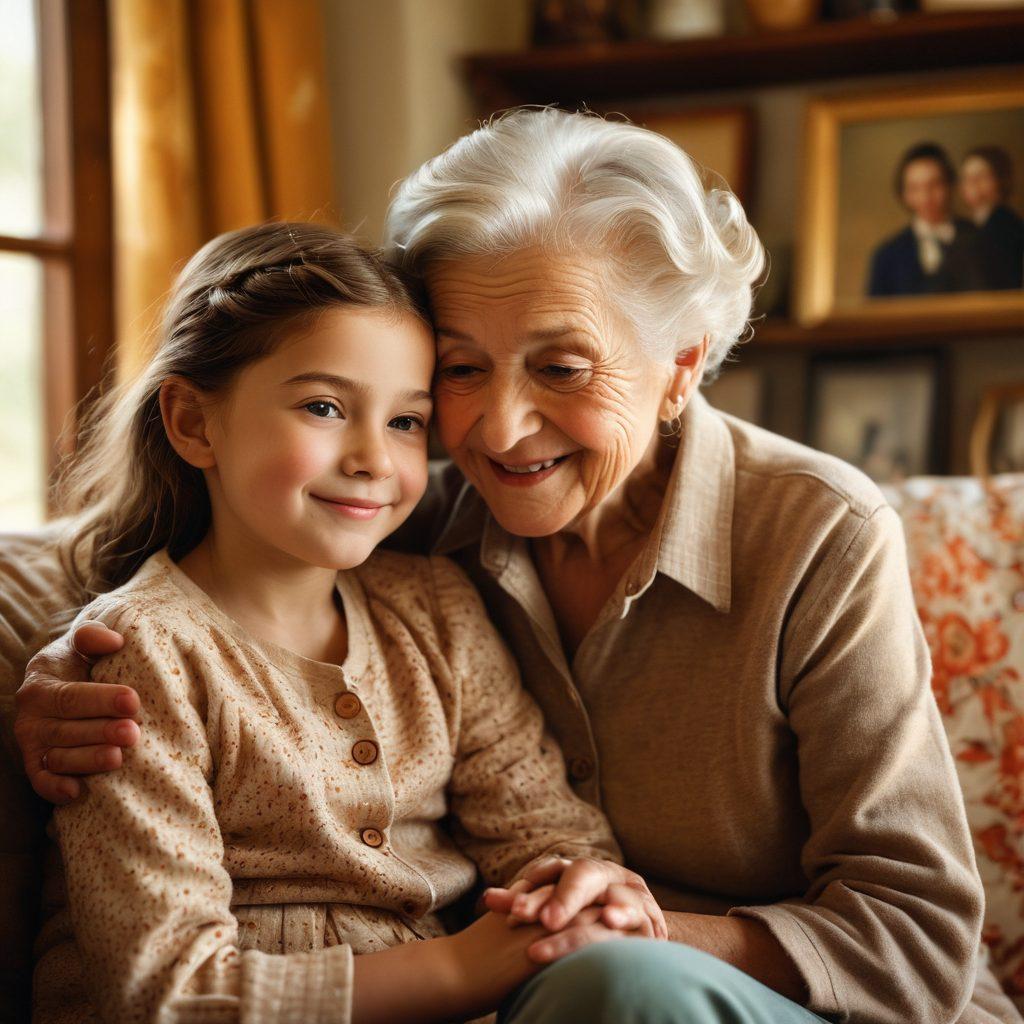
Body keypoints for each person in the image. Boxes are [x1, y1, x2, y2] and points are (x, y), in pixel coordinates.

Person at [14, 110, 1014, 1023]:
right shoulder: (410, 517)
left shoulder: (817, 532)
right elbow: (170, 552)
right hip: (532, 987)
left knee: (617, 989)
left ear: (679, 365)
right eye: (459, 369)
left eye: (561, 366)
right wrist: (47, 669)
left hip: (813, 1004)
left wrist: (612, 932)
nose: (496, 430)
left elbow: (913, 938)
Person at [21, 222, 660, 1024]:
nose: (373, 459)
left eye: (406, 421)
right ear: (192, 422)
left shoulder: (437, 611)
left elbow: (541, 828)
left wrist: (576, 888)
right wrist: (466, 966)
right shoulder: (144, 655)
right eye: (324, 407)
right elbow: (167, 993)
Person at [868, 141, 989, 297]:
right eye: (915, 188)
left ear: (949, 185)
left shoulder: (980, 239)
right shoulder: (888, 255)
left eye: (934, 185)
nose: (925, 197)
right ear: (904, 194)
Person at [960, 145, 1024, 290]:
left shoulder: (1008, 226)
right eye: (967, 178)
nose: (972, 184)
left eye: (981, 177)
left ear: (1000, 180)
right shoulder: (967, 226)